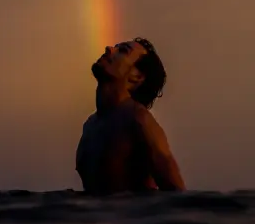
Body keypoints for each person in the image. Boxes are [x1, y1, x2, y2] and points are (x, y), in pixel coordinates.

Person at [75, 37, 186, 194]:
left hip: (132, 216)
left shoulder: (138, 119)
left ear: (136, 77)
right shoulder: (90, 125)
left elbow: (176, 192)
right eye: (115, 46)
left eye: (123, 51)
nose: (109, 48)